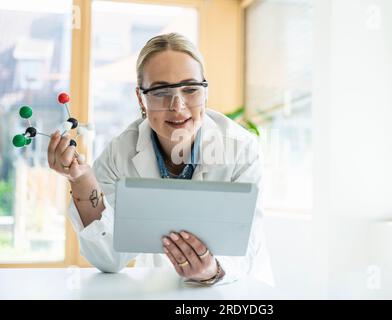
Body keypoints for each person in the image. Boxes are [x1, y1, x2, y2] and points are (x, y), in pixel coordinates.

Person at [47, 33, 272, 286]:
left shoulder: (240, 148)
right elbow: (110, 259)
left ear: (205, 93)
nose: (177, 106)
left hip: (236, 293)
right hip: (161, 289)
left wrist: (212, 269)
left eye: (190, 89)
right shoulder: (121, 152)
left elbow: (247, 246)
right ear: (140, 98)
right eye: (161, 91)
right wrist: (82, 182)